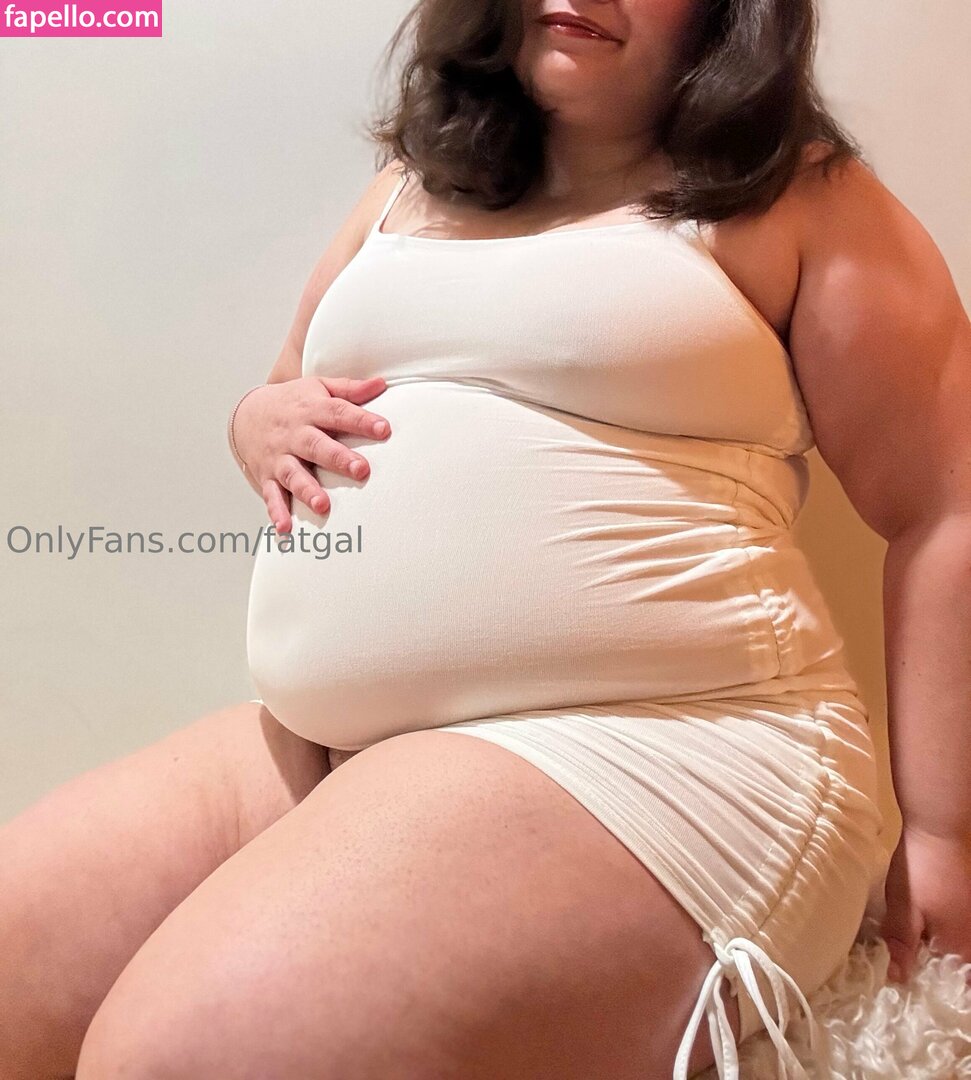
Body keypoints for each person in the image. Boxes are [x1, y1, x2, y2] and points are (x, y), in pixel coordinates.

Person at [3, 1, 969, 1078]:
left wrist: (943, 833)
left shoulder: (794, 194)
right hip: (333, 747)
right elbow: (285, 389)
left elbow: (944, 505)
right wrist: (252, 423)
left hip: (663, 748)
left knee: (184, 1054)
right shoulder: (408, 187)